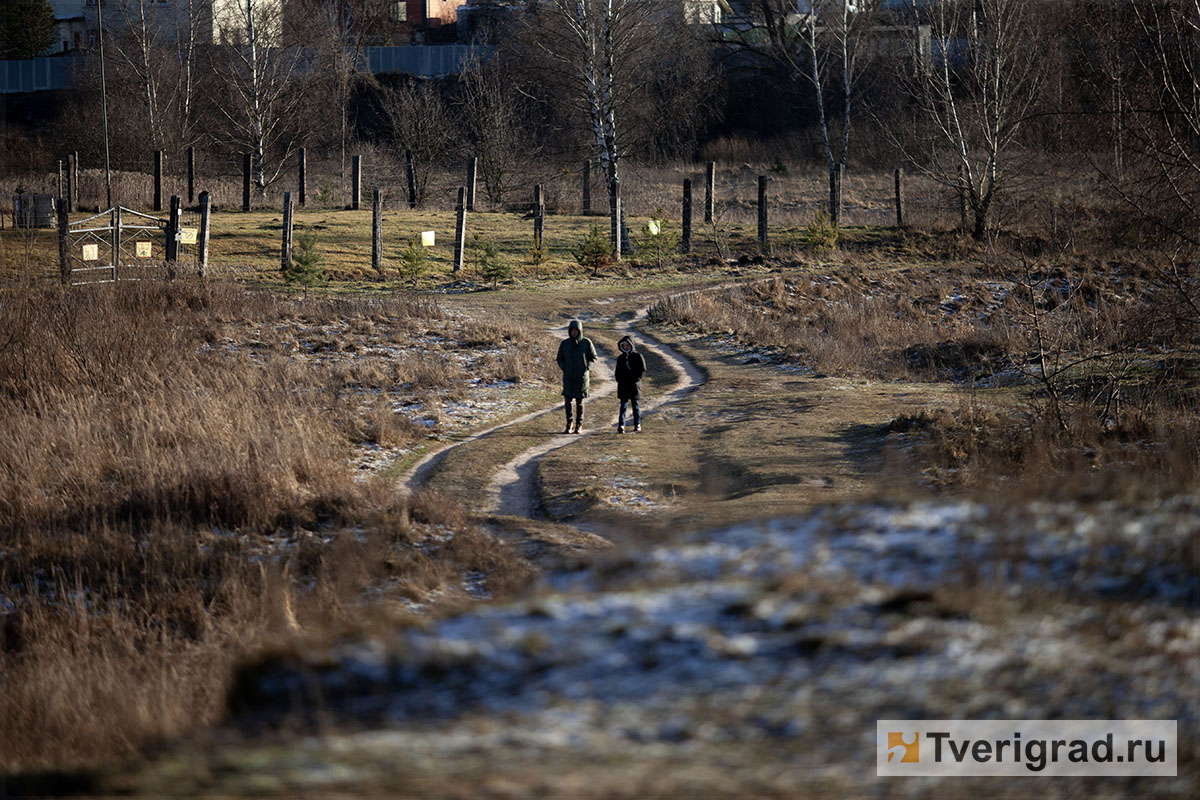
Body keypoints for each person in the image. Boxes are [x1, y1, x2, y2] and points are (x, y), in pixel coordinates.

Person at [556, 319, 597, 434]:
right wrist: (564, 367)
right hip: (568, 377)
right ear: (569, 331)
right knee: (568, 401)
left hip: (581, 377)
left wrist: (587, 367)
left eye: (576, 330)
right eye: (572, 330)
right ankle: (569, 423)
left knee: (580, 401)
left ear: (580, 331)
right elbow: (559, 358)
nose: (574, 332)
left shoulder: (586, 343)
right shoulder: (564, 344)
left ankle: (579, 424)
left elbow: (593, 357)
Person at [614, 334, 645, 433]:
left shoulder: (638, 356)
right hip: (623, 385)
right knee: (623, 406)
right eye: (624, 346)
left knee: (635, 405)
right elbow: (617, 371)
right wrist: (619, 379)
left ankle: (637, 424)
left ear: (631, 345)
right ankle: (621, 425)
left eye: (627, 345)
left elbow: (642, 369)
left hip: (634, 385)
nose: (626, 347)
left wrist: (636, 378)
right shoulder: (620, 358)